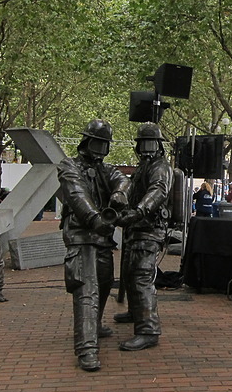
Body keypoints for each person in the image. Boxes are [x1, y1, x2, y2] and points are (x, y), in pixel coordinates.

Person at [57, 119, 131, 371]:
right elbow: (77, 194)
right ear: (86, 141)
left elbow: (121, 178)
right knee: (86, 289)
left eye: (104, 144)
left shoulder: (105, 169)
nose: (100, 148)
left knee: (105, 281)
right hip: (81, 235)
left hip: (102, 237)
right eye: (97, 142)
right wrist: (94, 219)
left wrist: (120, 191)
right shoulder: (69, 166)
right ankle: (86, 348)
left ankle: (95, 326)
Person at [113, 122, 173, 353]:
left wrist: (138, 212)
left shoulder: (160, 167)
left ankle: (148, 330)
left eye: (151, 143)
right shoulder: (142, 168)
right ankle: (136, 312)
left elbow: (158, 190)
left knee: (140, 277)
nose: (147, 148)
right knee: (129, 273)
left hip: (149, 228)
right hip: (137, 228)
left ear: (159, 146)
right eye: (144, 144)